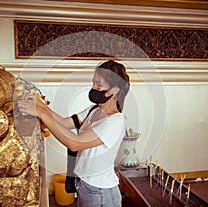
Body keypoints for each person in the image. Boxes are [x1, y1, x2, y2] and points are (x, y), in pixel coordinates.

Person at [18, 60, 130, 207]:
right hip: (84, 185)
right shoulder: (94, 110)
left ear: (114, 90)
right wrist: (40, 105)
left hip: (100, 192)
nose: (93, 88)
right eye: (93, 83)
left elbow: (76, 143)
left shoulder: (115, 122)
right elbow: (64, 123)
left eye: (98, 84)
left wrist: (40, 112)